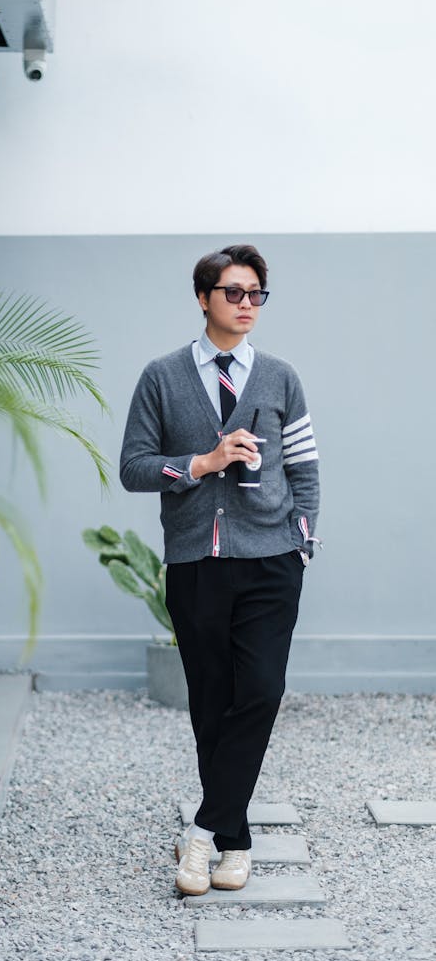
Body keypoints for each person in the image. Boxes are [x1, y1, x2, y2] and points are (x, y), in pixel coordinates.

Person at [119, 245, 320, 895]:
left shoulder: (281, 377)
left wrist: (303, 540)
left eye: (256, 293)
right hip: (197, 562)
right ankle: (235, 842)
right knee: (211, 702)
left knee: (260, 690)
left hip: (270, 561)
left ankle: (202, 832)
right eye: (234, 292)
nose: (246, 304)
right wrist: (201, 464)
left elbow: (305, 467)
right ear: (204, 297)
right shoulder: (162, 376)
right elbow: (133, 466)